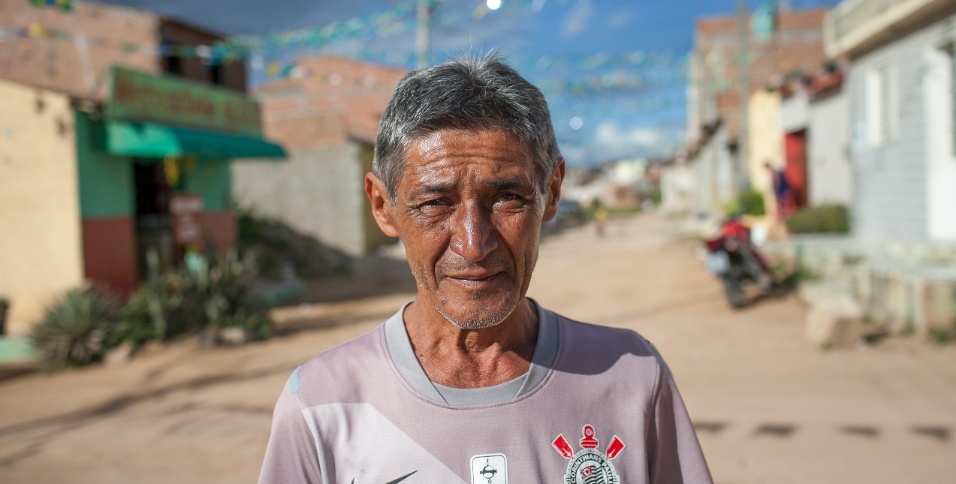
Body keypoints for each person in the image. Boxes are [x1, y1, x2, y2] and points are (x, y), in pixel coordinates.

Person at [258, 54, 712, 484]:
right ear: (383, 206)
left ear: (551, 192)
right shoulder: (319, 404)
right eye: (436, 203)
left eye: (507, 198)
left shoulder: (631, 378)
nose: (474, 245)